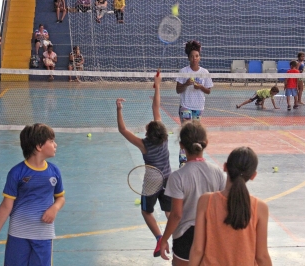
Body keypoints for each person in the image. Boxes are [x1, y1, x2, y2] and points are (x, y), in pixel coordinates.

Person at [0, 123, 65, 266]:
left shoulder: (54, 172)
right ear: (39, 146)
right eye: (51, 141)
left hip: (43, 235)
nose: (55, 144)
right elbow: (6, 206)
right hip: (18, 235)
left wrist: (55, 208)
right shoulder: (17, 172)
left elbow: (60, 197)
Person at [116, 74, 172, 258]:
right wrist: (158, 86)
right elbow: (156, 106)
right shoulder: (164, 136)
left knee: (146, 211)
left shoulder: (144, 144)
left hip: (152, 180)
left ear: (148, 133)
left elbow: (123, 130)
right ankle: (177, 236)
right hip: (168, 177)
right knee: (169, 211)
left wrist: (119, 109)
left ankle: (159, 238)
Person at [188, 147, 272, 266]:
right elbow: (261, 256)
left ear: (225, 167)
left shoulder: (206, 201)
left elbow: (198, 249)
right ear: (253, 176)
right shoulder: (260, 207)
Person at [159, 121, 226, 266]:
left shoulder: (177, 177)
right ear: (206, 143)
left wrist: (163, 240)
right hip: (211, 234)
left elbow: (176, 215)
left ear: (181, 145)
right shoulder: (218, 172)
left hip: (185, 236)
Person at [176, 40, 213, 168]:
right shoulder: (183, 71)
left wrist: (200, 87)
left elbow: (208, 91)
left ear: (199, 57)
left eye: (196, 56)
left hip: (198, 108)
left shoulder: (205, 72)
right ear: (189, 58)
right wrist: (186, 84)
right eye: (192, 56)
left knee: (196, 135)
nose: (194, 58)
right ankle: (183, 161)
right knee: (187, 134)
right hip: (186, 105)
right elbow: (177, 90)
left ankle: (194, 160)